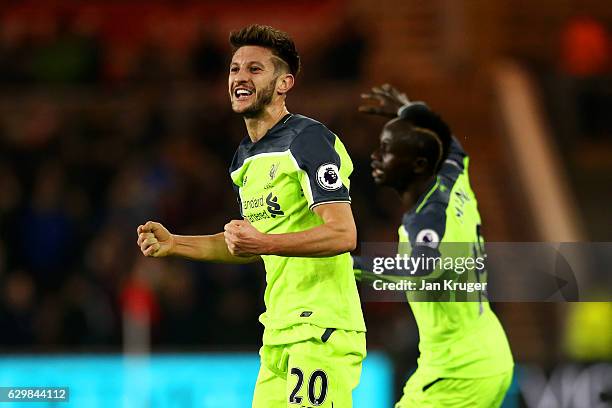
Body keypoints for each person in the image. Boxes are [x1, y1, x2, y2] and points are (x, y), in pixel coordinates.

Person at [137, 25, 365, 407]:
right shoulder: (244, 158)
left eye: (255, 69)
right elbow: (248, 245)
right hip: (277, 332)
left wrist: (265, 242)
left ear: (284, 83)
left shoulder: (308, 140)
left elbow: (343, 234)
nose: (240, 77)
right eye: (234, 69)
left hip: (320, 329)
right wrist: (177, 243)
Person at [357, 84, 514, 407]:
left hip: (458, 371)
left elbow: (425, 269)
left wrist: (351, 267)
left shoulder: (425, 221)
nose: (376, 156)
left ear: (417, 165)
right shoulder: (452, 178)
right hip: (491, 355)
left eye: (387, 149)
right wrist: (414, 110)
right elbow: (452, 146)